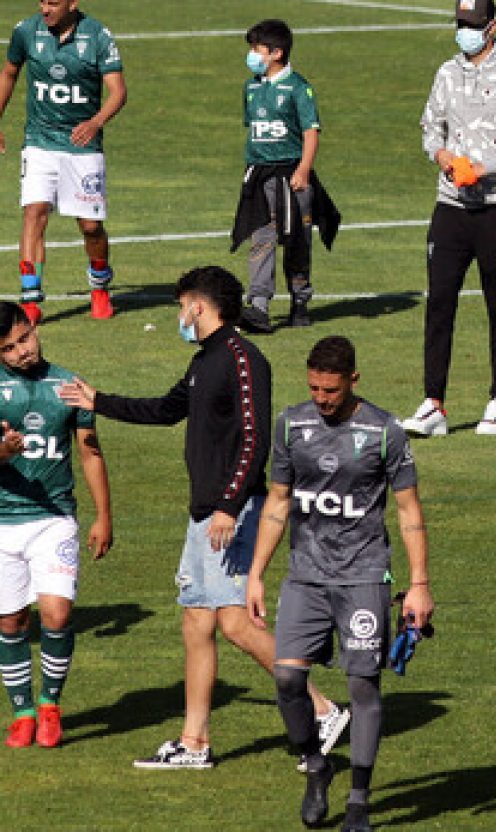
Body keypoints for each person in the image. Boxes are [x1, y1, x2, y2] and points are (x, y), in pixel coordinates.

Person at [56, 265, 343, 768]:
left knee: (233, 625)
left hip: (231, 512)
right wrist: (98, 400)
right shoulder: (204, 361)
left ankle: (319, 709)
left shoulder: (243, 359)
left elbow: (256, 441)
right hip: (208, 512)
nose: (179, 315)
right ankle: (195, 742)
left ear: (199, 306)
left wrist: (230, 505)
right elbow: (167, 409)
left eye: (181, 305)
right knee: (199, 621)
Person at [247, 336, 433, 832]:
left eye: (330, 390)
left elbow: (409, 510)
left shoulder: (385, 430)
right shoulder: (291, 424)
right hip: (305, 574)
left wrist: (419, 584)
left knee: (362, 686)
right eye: (314, 389)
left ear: (354, 379)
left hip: (364, 575)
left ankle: (358, 802)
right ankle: (315, 763)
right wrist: (256, 575)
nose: (322, 400)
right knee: (287, 679)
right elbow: (278, 501)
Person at [402, 0, 496, 439]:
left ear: (492, 28)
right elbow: (430, 127)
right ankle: (433, 404)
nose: (464, 32)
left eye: (472, 25)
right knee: (439, 302)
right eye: (460, 24)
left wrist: (489, 167)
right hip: (451, 206)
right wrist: (442, 155)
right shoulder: (446, 73)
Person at [0, 301, 113, 749]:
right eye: (8, 348)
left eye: (24, 338)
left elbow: (90, 453)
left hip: (54, 518)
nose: (22, 352)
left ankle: (49, 705)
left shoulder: (68, 385)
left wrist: (104, 516)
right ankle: (22, 713)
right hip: (4, 522)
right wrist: (5, 454)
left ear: (34, 327)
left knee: (57, 613)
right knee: (10, 622)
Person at [0, 0, 127, 324]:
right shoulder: (26, 32)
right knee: (34, 212)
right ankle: (29, 300)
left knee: (90, 227)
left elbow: (118, 91)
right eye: (42, 2)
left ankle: (99, 284)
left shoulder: (98, 36)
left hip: (82, 146)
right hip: (39, 141)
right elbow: (9, 74)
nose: (45, 9)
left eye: (53, 3)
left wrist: (96, 122)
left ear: (73, 2)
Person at [230, 18, 341, 334]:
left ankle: (300, 301)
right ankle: (259, 308)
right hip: (259, 177)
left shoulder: (298, 88)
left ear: (276, 53)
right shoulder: (251, 87)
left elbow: (310, 132)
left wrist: (303, 170)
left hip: (292, 177)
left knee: (297, 241)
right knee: (261, 239)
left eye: (257, 49)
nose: (252, 55)